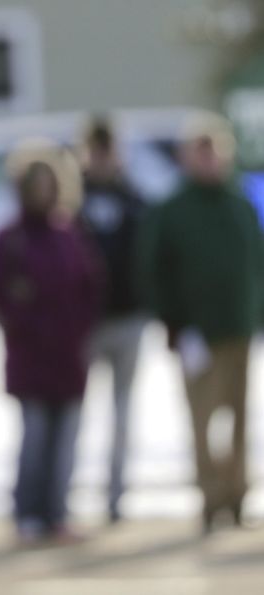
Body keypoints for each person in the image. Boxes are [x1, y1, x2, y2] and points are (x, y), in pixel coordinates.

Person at [138, 114, 264, 534]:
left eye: (215, 150)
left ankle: (238, 494)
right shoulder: (173, 210)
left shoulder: (240, 202)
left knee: (240, 420)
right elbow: (155, 270)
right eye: (201, 151)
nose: (210, 159)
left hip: (239, 327)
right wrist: (173, 322)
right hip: (197, 333)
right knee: (202, 421)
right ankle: (210, 499)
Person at [0, 145, 102, 545]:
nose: (43, 192)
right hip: (31, 354)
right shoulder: (9, 237)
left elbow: (91, 287)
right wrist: (20, 315)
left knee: (65, 441)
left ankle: (57, 513)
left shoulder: (69, 234)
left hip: (69, 355)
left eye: (50, 184)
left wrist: (81, 327)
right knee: (35, 438)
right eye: (36, 185)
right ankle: (28, 514)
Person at [76, 116, 148, 523]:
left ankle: (115, 495)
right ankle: (66, 495)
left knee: (122, 411)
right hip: (85, 321)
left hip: (127, 317)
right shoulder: (72, 197)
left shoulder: (132, 196)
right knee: (76, 410)